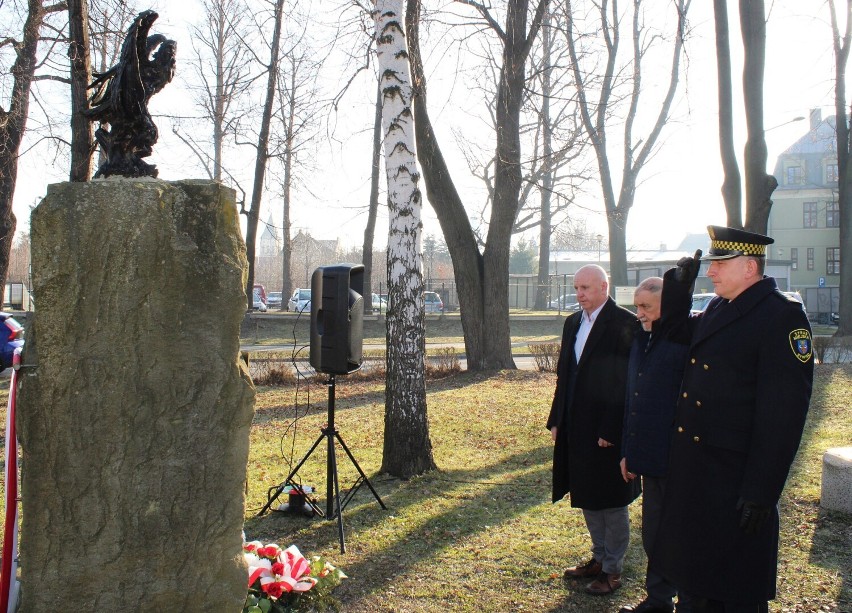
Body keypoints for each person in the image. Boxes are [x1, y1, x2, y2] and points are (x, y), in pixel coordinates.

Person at [653, 226, 814, 612]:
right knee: (695, 583)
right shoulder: (718, 308)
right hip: (698, 474)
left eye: (718, 265)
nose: (711, 272)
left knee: (734, 591)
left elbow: (783, 417)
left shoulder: (781, 317)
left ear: (749, 267)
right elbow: (673, 334)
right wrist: (678, 287)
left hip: (735, 482)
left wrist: (761, 491)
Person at [547, 264, 640, 596]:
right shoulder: (573, 323)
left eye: (585, 288)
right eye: (576, 288)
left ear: (604, 286)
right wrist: (557, 419)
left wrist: (612, 428)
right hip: (577, 426)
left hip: (608, 429)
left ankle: (613, 570)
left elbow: (626, 384)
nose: (579, 294)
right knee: (587, 492)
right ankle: (598, 558)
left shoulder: (625, 323)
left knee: (612, 500)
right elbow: (565, 375)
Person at [618, 278, 691, 613]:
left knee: (675, 534)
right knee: (653, 533)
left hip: (677, 458)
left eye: (646, 306)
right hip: (647, 454)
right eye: (637, 306)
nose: (639, 313)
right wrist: (628, 452)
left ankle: (680, 598)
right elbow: (633, 399)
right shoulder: (641, 338)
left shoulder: (683, 340)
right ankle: (659, 599)